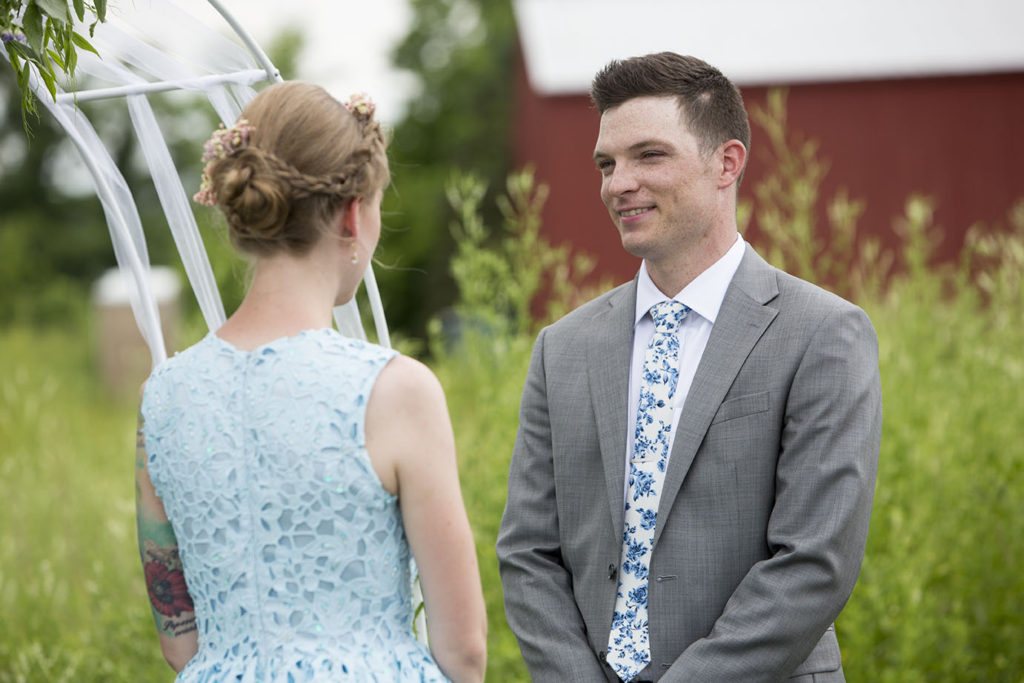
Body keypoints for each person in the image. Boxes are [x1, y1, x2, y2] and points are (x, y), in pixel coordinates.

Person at [496, 52, 882, 682]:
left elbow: (815, 561)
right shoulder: (561, 348)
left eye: (649, 155)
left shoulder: (822, 333)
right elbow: (528, 552)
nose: (618, 183)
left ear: (727, 163)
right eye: (607, 163)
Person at [135, 81, 487, 682]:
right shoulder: (395, 390)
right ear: (353, 213)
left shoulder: (163, 396)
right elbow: (464, 651)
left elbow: (178, 639)